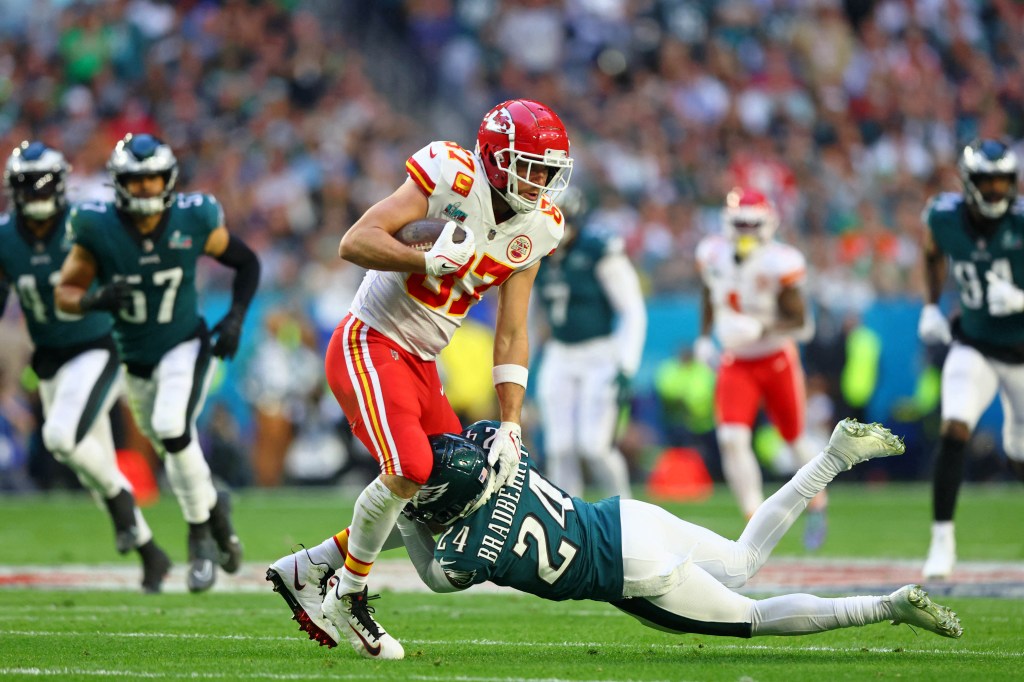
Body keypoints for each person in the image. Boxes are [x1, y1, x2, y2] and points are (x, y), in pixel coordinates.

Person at [266, 98, 573, 660]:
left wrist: (510, 423)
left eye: (549, 170)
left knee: (448, 492)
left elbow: (511, 333)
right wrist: (425, 260)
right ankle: (349, 594)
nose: (542, 182)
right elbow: (355, 241)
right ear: (497, 157)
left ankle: (308, 568)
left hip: (423, 365)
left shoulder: (540, 227)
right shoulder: (450, 174)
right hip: (371, 341)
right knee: (409, 468)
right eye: (531, 166)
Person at [394, 418, 962, 643]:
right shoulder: (504, 454)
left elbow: (433, 573)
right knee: (742, 561)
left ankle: (889, 607)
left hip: (626, 572)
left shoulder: (472, 552)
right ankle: (833, 457)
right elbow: (480, 457)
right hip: (627, 516)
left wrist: (399, 516)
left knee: (754, 616)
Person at [55, 133, 260, 593]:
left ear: (167, 180)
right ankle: (216, 509)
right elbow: (64, 294)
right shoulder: (96, 228)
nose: (146, 189)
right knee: (170, 445)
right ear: (119, 184)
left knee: (173, 427)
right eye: (136, 180)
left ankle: (200, 536)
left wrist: (234, 318)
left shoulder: (193, 216)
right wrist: (94, 299)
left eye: (153, 179)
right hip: (136, 361)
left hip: (184, 344)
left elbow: (246, 262)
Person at [0, 141, 171, 593]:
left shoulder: (85, 224)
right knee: (88, 464)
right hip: (52, 360)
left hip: (97, 347)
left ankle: (123, 507)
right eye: (26, 186)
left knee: (60, 436)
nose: (35, 196)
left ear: (60, 186)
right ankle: (151, 551)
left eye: (43, 186)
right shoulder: (5, 237)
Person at [693, 186, 826, 549]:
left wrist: (761, 328)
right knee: (731, 438)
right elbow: (709, 293)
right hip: (737, 361)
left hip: (775, 357)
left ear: (768, 224)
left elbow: (803, 324)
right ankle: (753, 521)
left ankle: (818, 504)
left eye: (753, 224)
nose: (746, 231)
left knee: (794, 438)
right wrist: (705, 336)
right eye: (740, 223)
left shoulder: (780, 261)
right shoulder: (713, 254)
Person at [917, 138, 1024, 580]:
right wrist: (929, 304)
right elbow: (930, 254)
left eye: (1004, 181)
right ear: (969, 183)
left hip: (1021, 355)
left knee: (1018, 452)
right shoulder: (942, 217)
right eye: (988, 181)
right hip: (974, 343)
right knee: (955, 425)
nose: (997, 190)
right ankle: (942, 541)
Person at [533, 187, 646, 498]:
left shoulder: (599, 250)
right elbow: (530, 315)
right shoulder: (537, 251)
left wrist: (627, 363)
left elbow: (633, 310)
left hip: (600, 353)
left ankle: (624, 512)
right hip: (559, 353)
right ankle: (566, 523)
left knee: (594, 447)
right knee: (559, 447)